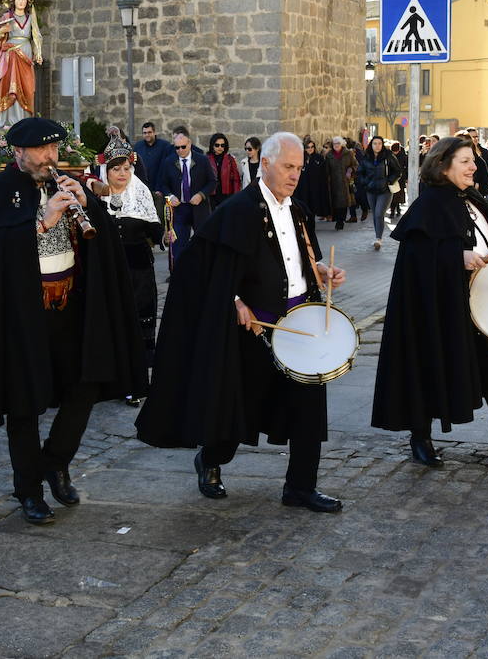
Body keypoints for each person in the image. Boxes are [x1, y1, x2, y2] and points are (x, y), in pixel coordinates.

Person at [136, 131, 347, 512]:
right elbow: (199, 266)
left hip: (300, 325)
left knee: (308, 406)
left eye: (298, 168)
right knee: (241, 406)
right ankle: (211, 458)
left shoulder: (297, 210)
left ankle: (300, 487)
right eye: (288, 167)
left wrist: (321, 270)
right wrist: (233, 300)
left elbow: (297, 259)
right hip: (256, 331)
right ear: (265, 164)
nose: (295, 175)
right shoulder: (237, 210)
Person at [0, 118, 145, 525]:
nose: (50, 157)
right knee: (23, 401)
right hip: (24, 313)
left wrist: (88, 204)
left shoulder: (64, 182)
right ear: (18, 153)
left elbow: (104, 242)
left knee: (85, 385)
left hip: (69, 306)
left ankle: (55, 461)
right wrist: (42, 223)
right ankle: (28, 489)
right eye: (41, 151)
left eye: (55, 149)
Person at [371, 136, 488, 470]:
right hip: (438, 307)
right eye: (465, 161)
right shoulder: (430, 204)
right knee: (428, 366)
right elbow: (417, 256)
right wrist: (457, 255)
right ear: (443, 165)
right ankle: (420, 438)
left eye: (473, 160)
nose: (473, 166)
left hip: (478, 303)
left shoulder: (468, 197)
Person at [98, 137, 164, 396]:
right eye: (116, 169)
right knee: (114, 322)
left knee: (137, 323)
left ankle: (137, 380)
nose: (122, 174)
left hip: (139, 273)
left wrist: (163, 235)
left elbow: (154, 227)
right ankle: (111, 380)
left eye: (126, 168)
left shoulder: (141, 192)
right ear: (107, 171)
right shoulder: (97, 197)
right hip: (110, 272)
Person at [157, 131, 216, 266]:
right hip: (179, 209)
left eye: (183, 147)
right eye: (177, 147)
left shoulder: (202, 160)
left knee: (202, 242)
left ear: (189, 144)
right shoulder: (168, 162)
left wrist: (201, 195)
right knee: (178, 245)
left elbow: (212, 182)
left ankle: (203, 271)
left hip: (199, 208)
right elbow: (163, 184)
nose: (180, 150)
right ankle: (179, 273)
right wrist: (170, 196)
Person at [0, 0, 43, 126]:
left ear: (27, 2)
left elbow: (36, 37)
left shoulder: (30, 18)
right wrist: (1, 31)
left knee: (26, 87)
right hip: (11, 55)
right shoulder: (7, 17)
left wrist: (38, 53)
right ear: (13, 1)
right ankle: (9, 120)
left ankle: (24, 119)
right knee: (10, 86)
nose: (21, 2)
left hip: (26, 53)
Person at [358, 135, 401, 251]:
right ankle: (377, 236)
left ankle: (378, 239)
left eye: (379, 144)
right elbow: (360, 172)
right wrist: (365, 182)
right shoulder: (366, 157)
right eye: (375, 143)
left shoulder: (388, 156)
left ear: (382, 145)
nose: (377, 146)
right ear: (371, 145)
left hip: (385, 191)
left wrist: (389, 181)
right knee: (375, 215)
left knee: (378, 214)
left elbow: (398, 171)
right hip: (370, 190)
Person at [324, 136, 356, 229]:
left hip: (345, 182)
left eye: (338, 143)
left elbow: (355, 164)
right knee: (335, 202)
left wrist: (350, 170)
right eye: (334, 144)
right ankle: (338, 219)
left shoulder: (348, 153)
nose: (336, 145)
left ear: (342, 144)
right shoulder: (329, 155)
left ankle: (340, 221)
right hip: (333, 182)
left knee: (344, 202)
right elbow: (326, 169)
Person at [295, 137, 332, 220]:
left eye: (312, 147)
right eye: (308, 147)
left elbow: (323, 173)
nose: (310, 149)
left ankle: (311, 227)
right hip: (303, 187)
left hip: (315, 187)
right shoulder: (301, 159)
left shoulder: (318, 158)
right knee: (304, 207)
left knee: (313, 209)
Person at [205, 132, 243, 209]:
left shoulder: (230, 159)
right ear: (212, 145)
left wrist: (236, 196)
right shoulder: (206, 159)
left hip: (226, 194)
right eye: (217, 145)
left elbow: (236, 179)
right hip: (211, 194)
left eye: (222, 145)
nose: (220, 147)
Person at [464, 127, 488, 196]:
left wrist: (484, 185)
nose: (474, 139)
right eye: (472, 137)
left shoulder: (485, 152)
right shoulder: (463, 153)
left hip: (484, 189)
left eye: (476, 137)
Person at [388, 141, 408, 219]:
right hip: (392, 178)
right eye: (393, 151)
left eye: (396, 151)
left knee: (398, 195)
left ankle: (397, 209)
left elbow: (406, 167)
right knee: (393, 195)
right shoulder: (389, 155)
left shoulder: (403, 156)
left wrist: (406, 177)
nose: (395, 153)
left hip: (401, 178)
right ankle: (393, 210)